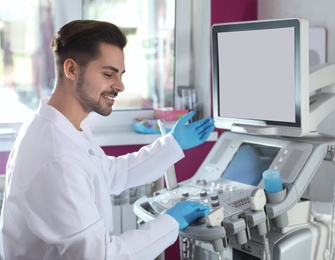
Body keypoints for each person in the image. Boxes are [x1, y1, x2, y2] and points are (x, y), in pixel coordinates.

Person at [0, 20, 215, 259]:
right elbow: (101, 256)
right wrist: (170, 222)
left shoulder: (63, 125)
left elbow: (109, 174)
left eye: (120, 75)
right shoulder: (56, 157)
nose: (120, 85)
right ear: (71, 70)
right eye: (108, 74)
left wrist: (171, 145)